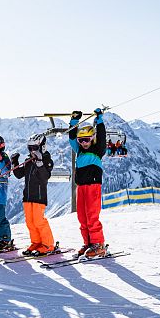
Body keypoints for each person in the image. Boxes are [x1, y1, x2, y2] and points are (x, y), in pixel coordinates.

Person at [68, 108, 107, 258]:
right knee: (82, 217)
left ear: (92, 138)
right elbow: (72, 136)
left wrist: (99, 120)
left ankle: (98, 244)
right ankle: (88, 243)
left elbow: (102, 137)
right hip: (81, 186)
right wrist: (74, 121)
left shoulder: (98, 150)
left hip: (93, 185)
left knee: (92, 215)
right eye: (81, 140)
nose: (84, 143)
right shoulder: (79, 150)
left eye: (87, 140)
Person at [11, 133, 56, 256]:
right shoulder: (28, 160)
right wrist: (14, 162)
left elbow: (45, 177)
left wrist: (40, 162)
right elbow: (19, 174)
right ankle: (36, 242)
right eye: (30, 148)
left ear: (42, 147)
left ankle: (48, 244)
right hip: (28, 196)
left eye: (35, 148)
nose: (32, 151)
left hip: (39, 196)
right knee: (30, 222)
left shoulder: (47, 159)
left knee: (38, 221)